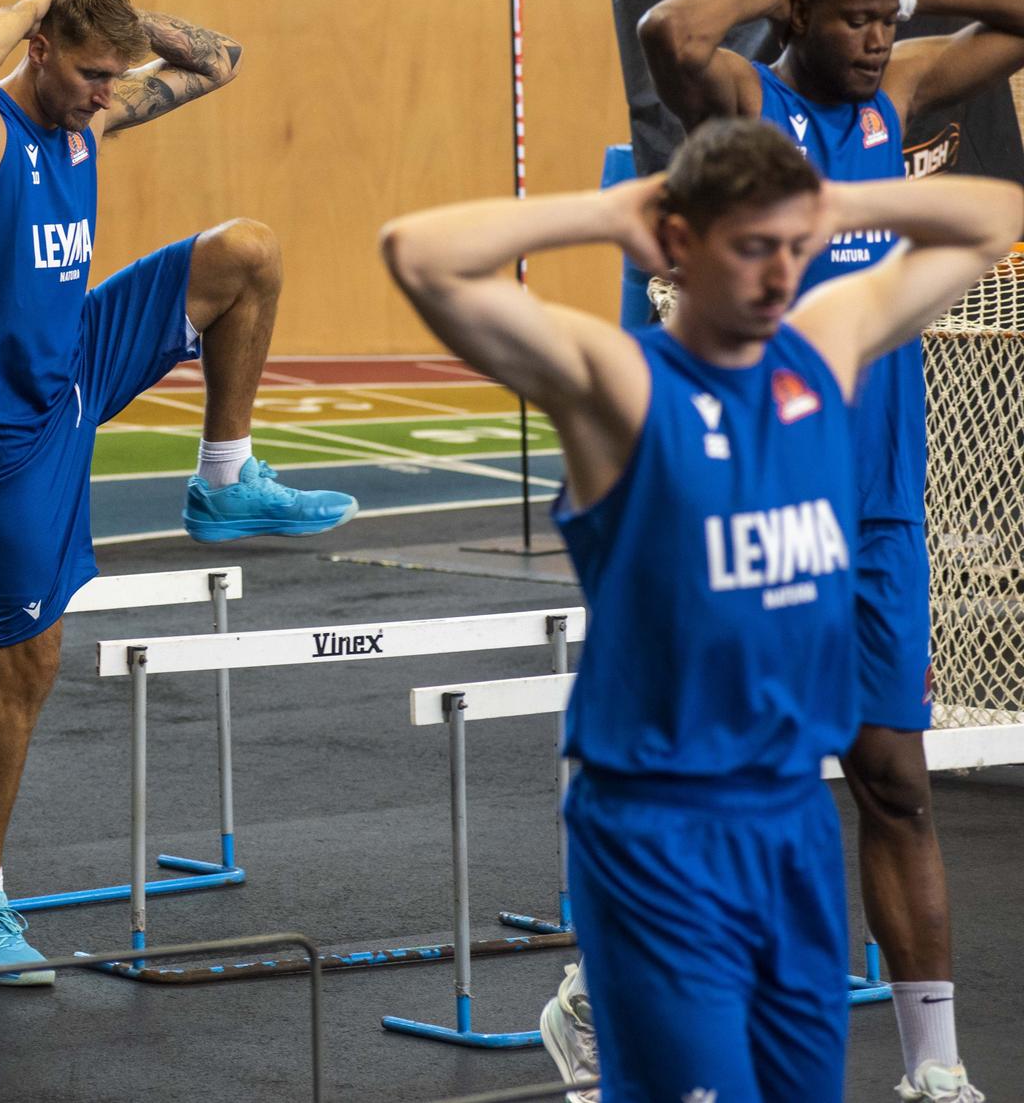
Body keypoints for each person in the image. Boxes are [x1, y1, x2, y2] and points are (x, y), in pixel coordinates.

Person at [381, 118, 1019, 1101]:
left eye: (791, 251)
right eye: (749, 248)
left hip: (791, 823)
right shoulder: (621, 386)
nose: (776, 276)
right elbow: (415, 254)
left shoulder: (818, 348)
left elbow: (994, 216)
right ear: (678, 243)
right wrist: (606, 212)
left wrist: (836, 204)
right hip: (655, 832)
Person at [607, 0, 1024, 1101]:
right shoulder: (742, 104)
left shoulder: (899, 89)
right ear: (797, 17)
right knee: (733, 780)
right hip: (759, 498)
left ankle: (932, 1070)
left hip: (881, 505)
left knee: (894, 780)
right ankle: (606, 998)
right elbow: (665, 31)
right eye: (852, 19)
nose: (876, 38)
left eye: (883, 20)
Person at [0, 0, 357, 984]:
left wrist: (106, 12)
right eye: (89, 74)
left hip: (74, 359)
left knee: (246, 251)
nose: (106, 94)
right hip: (2, 425)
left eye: (115, 76)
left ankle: (223, 478)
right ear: (36, 51)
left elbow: (219, 58)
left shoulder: (87, 122)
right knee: (28, 669)